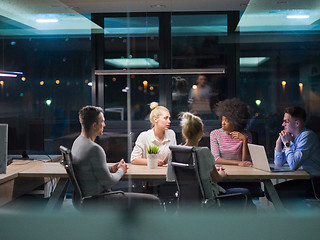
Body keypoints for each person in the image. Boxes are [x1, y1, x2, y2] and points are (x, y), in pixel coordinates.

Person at [71, 105, 160, 208]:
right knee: (153, 200)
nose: (104, 125)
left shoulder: (77, 142)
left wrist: (110, 168)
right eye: (102, 122)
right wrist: (121, 170)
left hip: (85, 199)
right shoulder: (94, 149)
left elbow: (88, 168)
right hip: (100, 200)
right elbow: (109, 182)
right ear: (94, 125)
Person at [179, 112, 255, 210]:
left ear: (183, 132)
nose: (223, 123)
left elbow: (172, 178)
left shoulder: (176, 152)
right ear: (201, 133)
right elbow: (217, 178)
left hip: (185, 200)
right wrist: (222, 173)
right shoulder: (204, 152)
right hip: (210, 199)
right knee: (245, 193)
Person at [271, 106, 320, 205]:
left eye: (286, 121)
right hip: (304, 181)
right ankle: (295, 217)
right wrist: (278, 143)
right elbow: (278, 163)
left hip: (314, 183)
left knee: (274, 193)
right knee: (271, 192)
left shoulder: (307, 136)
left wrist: (287, 144)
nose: (282, 124)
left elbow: (293, 165)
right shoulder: (292, 138)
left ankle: (295, 217)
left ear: (297, 123)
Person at [210, 98, 252, 167]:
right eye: (222, 119)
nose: (223, 123)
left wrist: (244, 140)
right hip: (222, 170)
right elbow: (216, 159)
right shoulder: (215, 134)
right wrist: (238, 163)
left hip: (241, 171)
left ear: (236, 121)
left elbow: (245, 161)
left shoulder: (246, 135)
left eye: (227, 121)